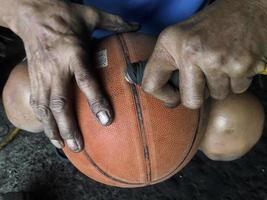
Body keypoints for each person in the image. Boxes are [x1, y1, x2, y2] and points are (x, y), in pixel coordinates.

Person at [0, 0, 266, 153]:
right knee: (22, 98)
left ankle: (174, 143)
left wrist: (254, 9)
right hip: (83, 36)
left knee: (234, 128)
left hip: (200, 36)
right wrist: (24, 12)